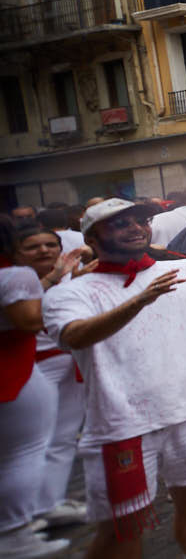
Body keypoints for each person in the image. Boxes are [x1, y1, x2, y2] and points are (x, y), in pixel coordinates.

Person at [41, 198, 186, 559]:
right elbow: (74, 336)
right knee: (124, 523)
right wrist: (137, 301)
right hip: (122, 424)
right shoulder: (70, 293)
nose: (135, 227)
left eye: (139, 220)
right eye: (119, 223)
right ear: (92, 239)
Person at [1, 220, 64, 559]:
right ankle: (14, 533)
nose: (42, 252)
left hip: (19, 368)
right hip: (15, 369)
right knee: (23, 454)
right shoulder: (16, 275)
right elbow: (28, 320)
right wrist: (59, 287)